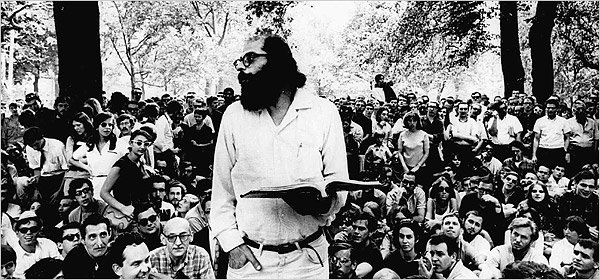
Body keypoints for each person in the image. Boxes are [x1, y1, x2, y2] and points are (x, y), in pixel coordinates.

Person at [211, 34, 348, 278]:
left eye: (250, 58)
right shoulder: (234, 115)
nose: (242, 69)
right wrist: (232, 245)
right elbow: (221, 192)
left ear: (278, 63)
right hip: (252, 261)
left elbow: (339, 184)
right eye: (240, 62)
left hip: (307, 260)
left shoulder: (323, 112)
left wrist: (322, 204)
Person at [70, 112, 128, 200]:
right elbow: (72, 159)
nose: (107, 127)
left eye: (110, 125)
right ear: (97, 126)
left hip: (114, 184)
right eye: (104, 125)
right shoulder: (90, 144)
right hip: (95, 184)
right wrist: (87, 168)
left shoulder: (119, 143)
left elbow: (131, 158)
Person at [100, 129, 154, 223]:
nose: (142, 147)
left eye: (146, 144)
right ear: (130, 143)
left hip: (140, 214)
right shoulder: (121, 165)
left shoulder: (139, 162)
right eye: (139, 143)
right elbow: (104, 192)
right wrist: (123, 208)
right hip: (125, 216)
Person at [480, 217, 549, 279]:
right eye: (515, 234)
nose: (518, 240)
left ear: (532, 241)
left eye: (524, 237)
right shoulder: (498, 252)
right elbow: (488, 273)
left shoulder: (538, 259)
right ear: (510, 234)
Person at [149, 217, 215, 278]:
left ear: (191, 237)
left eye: (183, 236)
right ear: (163, 239)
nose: (178, 243)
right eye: (171, 237)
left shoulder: (201, 255)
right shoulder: (152, 258)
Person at [3, 211, 61, 279]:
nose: (28, 233)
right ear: (17, 232)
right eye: (24, 230)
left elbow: (60, 265)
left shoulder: (48, 244)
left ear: (39, 230)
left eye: (33, 229)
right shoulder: (14, 255)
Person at [556, 170, 599, 239]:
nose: (587, 189)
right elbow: (562, 222)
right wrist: (585, 228)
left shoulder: (596, 200)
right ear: (575, 184)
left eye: (591, 187)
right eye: (583, 185)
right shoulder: (564, 198)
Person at [533, 98, 571, 170]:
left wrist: (565, 150)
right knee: (543, 171)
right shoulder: (539, 121)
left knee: (557, 171)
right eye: (548, 108)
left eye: (553, 108)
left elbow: (567, 137)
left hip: (558, 150)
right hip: (543, 150)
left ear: (557, 109)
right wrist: (534, 155)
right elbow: (536, 139)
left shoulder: (563, 121)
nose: (550, 110)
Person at [567, 100, 598, 177]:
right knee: (575, 172)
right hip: (575, 151)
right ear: (574, 111)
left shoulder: (592, 122)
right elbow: (566, 138)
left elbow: (596, 138)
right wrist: (567, 152)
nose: (580, 111)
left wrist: (595, 155)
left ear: (585, 110)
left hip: (589, 151)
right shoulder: (568, 122)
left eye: (582, 109)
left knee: (588, 172)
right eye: (578, 109)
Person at [348, 213, 383, 278]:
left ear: (371, 232)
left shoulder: (374, 254)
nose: (356, 231)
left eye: (361, 229)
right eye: (354, 227)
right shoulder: (347, 246)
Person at [397, 112, 430, 180]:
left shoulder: (423, 134)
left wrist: (418, 166)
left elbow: (426, 152)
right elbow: (400, 152)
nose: (412, 123)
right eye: (410, 121)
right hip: (406, 168)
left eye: (414, 121)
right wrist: (404, 166)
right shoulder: (402, 135)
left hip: (420, 168)